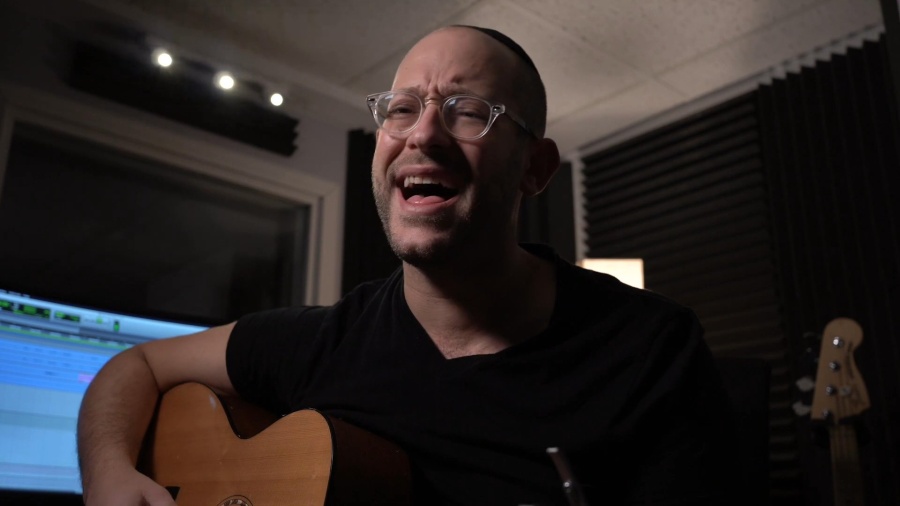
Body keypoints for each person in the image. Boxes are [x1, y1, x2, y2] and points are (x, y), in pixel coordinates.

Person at [78, 25, 737, 505]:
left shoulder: (650, 347)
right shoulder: (323, 342)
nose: (422, 134)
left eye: (467, 112)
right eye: (401, 109)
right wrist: (108, 474)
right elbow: (135, 366)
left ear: (534, 169)